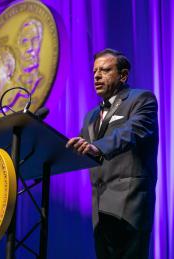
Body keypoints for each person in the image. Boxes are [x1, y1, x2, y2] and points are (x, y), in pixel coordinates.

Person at [66, 48, 158, 259]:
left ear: (123, 75)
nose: (97, 76)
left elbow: (131, 132)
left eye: (105, 70)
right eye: (95, 71)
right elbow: (83, 150)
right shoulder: (90, 116)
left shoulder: (141, 99)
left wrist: (98, 147)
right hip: (100, 210)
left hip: (130, 203)